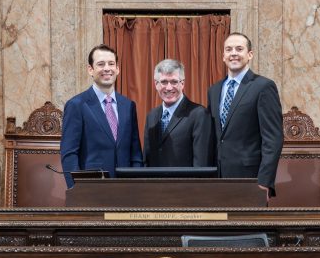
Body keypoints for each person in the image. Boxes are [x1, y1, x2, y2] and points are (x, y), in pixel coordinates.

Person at [207, 32, 283, 197]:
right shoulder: (214, 90)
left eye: (239, 49)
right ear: (223, 56)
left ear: (249, 55)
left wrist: (265, 181)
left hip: (251, 178)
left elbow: (273, 139)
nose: (233, 53)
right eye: (229, 49)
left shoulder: (263, 86)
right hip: (217, 177)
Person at [60, 44, 143, 187]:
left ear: (117, 69)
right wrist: (76, 190)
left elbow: (135, 154)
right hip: (92, 190)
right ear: (90, 69)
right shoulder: (76, 105)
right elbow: (69, 154)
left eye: (111, 64)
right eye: (100, 64)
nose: (107, 68)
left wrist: (138, 186)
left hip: (126, 190)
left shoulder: (128, 106)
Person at [143, 59, 212, 167]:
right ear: (156, 84)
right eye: (164, 82)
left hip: (184, 183)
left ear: (182, 83)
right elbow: (147, 159)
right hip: (155, 183)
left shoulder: (199, 114)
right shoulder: (151, 116)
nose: (169, 87)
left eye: (174, 82)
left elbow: (201, 162)